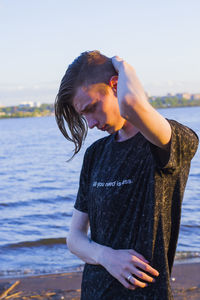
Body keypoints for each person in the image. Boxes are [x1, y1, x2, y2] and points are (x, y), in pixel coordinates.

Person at [55, 51, 198, 300]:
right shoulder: (95, 154)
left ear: (116, 86)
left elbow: (132, 105)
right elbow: (74, 239)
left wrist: (122, 66)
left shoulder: (171, 143)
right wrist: (107, 257)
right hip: (93, 292)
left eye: (92, 108)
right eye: (83, 115)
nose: (89, 124)